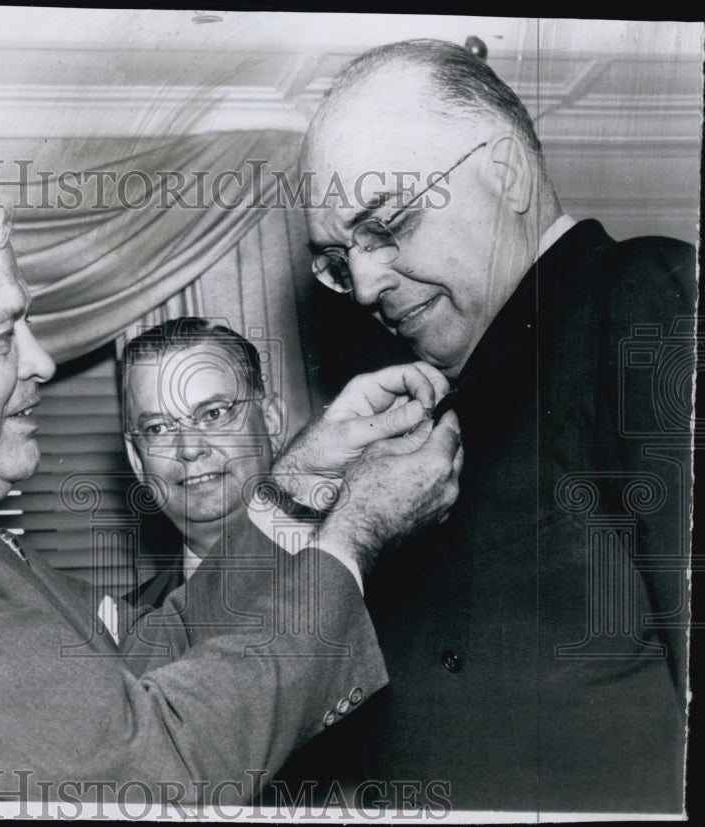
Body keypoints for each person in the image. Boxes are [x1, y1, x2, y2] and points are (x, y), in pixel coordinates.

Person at [0, 172, 463, 804]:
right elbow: (160, 768)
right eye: (1, 334)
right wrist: (353, 534)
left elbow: (152, 649)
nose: (43, 362)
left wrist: (308, 472)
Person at [299, 38, 695, 813]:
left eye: (389, 222)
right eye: (339, 260)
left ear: (507, 170)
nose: (367, 283)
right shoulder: (439, 405)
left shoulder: (644, 297)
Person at [119, 317, 289, 609]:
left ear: (271, 422)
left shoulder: (372, 579)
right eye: (157, 428)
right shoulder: (125, 637)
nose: (189, 448)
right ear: (137, 460)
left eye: (213, 414)